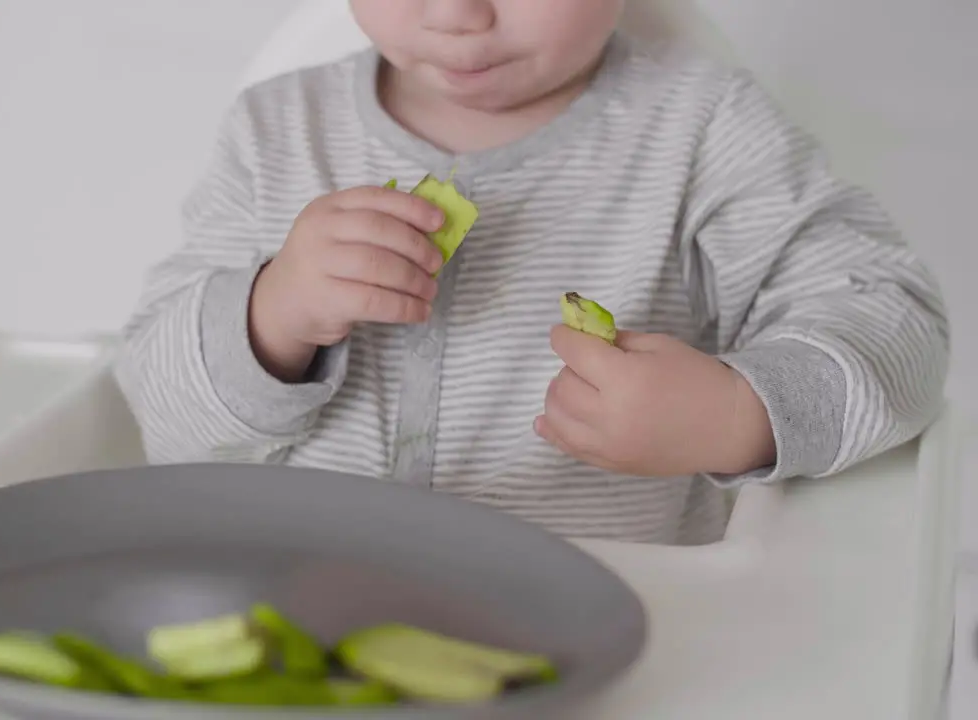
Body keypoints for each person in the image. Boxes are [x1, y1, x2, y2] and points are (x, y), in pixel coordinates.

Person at [113, 0, 950, 545]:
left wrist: (742, 411)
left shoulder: (703, 131)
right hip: (299, 613)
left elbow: (898, 323)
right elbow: (158, 406)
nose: (455, 15)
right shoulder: (274, 132)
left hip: (615, 634)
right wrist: (271, 315)